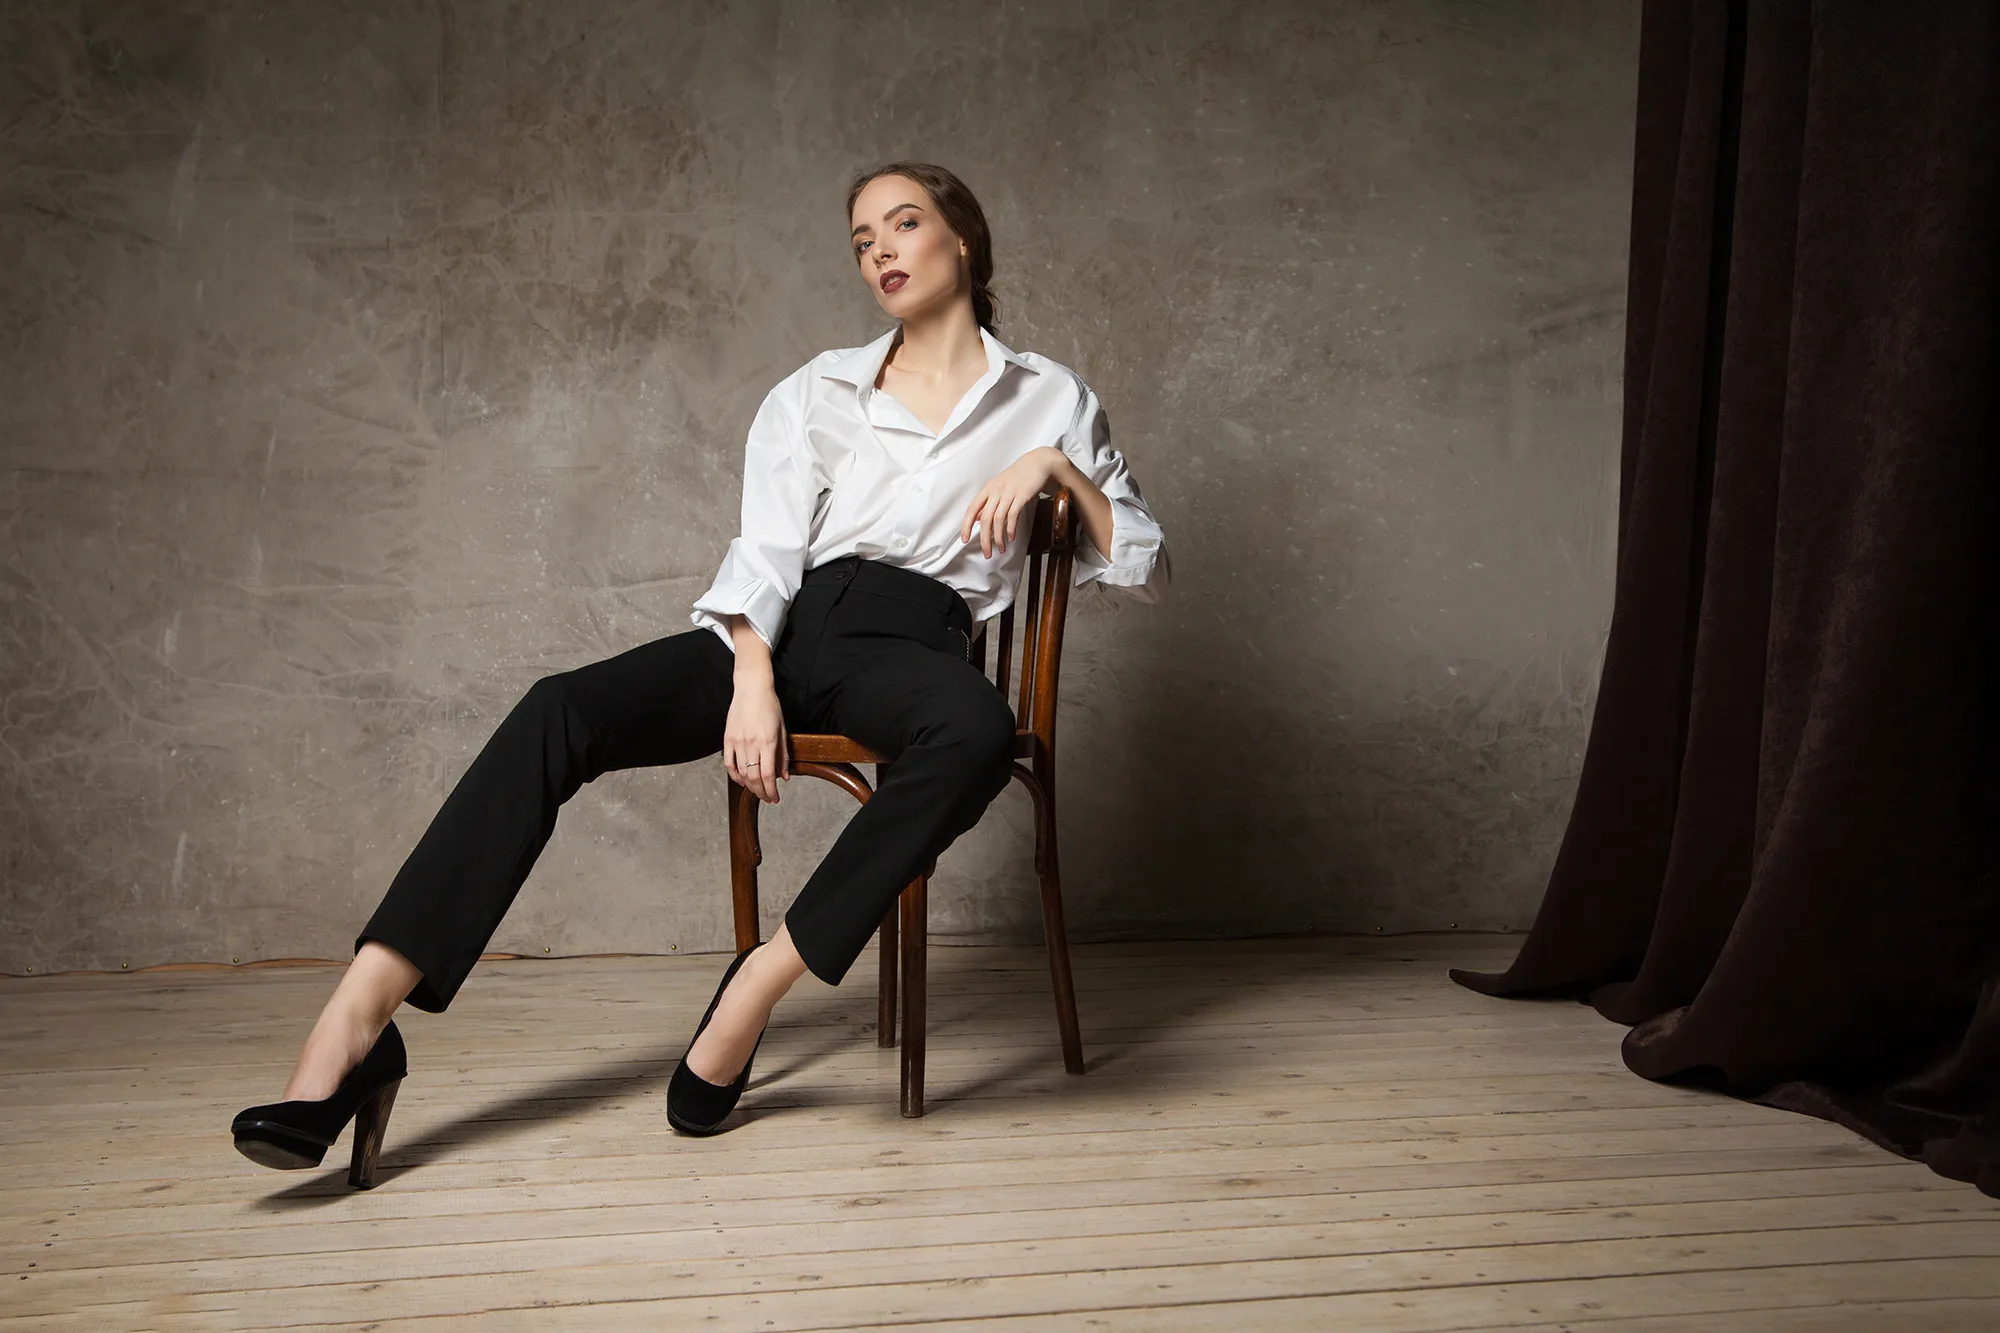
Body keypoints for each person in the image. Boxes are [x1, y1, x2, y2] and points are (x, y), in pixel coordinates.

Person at [228, 161, 1172, 1183]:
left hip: (911, 644)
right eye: (862, 240)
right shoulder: (815, 391)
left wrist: (1058, 471)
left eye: (903, 224)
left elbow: (1148, 566)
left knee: (977, 732)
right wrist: (753, 678)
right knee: (560, 710)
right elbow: (766, 557)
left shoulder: (1047, 398)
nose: (882, 251)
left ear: (963, 242)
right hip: (782, 629)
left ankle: (760, 981)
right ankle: (357, 1020)